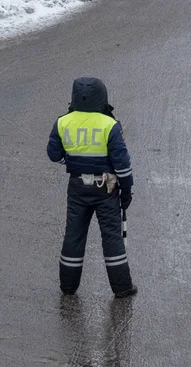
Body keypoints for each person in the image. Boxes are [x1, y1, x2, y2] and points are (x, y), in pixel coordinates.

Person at [47, 77, 138, 298]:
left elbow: (53, 155)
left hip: (77, 187)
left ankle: (68, 286)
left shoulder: (62, 122)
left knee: (74, 236)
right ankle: (122, 287)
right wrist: (126, 191)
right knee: (111, 237)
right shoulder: (110, 125)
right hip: (106, 189)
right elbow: (122, 165)